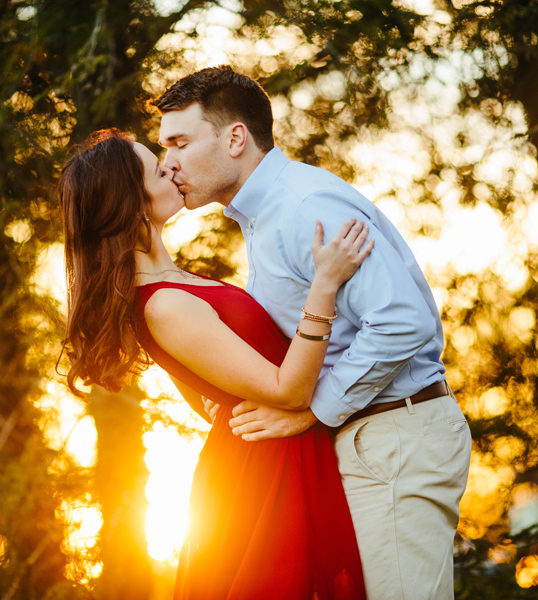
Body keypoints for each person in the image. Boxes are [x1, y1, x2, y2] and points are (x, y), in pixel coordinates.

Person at [149, 66, 472, 600]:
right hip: (362, 441)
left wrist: (309, 409)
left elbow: (402, 320)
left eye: (180, 142)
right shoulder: (264, 217)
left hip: (393, 437)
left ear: (235, 138)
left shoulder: (304, 207)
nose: (170, 164)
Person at [59, 128, 372, 599]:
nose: (175, 169)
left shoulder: (177, 282)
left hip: (271, 450)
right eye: (160, 169)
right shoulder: (163, 304)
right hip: (264, 476)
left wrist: (229, 405)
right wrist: (324, 285)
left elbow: (208, 390)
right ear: (132, 202)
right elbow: (288, 389)